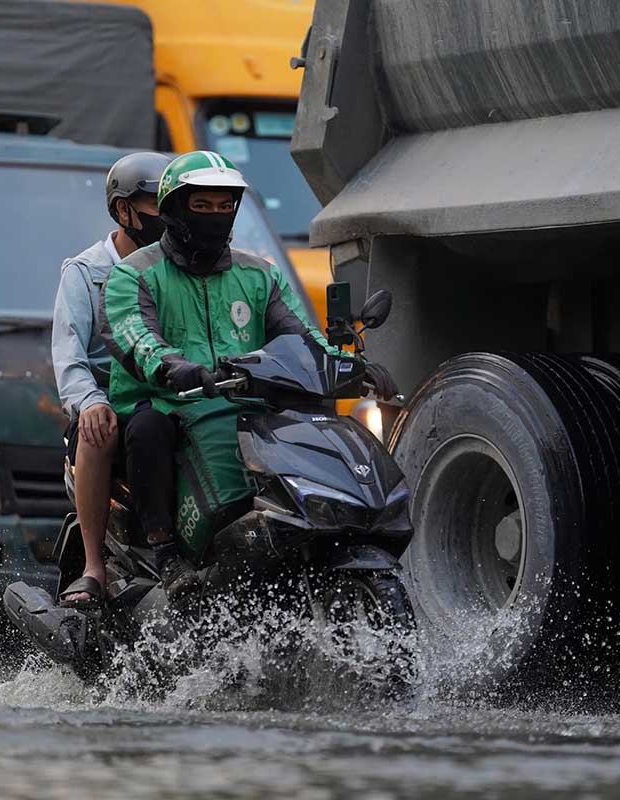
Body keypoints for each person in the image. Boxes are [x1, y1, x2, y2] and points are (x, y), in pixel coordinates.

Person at [100, 151, 398, 602]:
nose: (216, 217)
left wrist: (351, 366)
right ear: (174, 210)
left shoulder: (259, 275)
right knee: (147, 428)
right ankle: (164, 551)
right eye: (203, 207)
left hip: (247, 404)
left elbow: (304, 338)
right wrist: (173, 366)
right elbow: (135, 336)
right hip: (169, 402)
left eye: (226, 207)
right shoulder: (134, 275)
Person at [52, 151, 172, 608]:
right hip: (108, 405)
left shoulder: (178, 269)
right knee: (99, 430)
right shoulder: (85, 273)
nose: (169, 218)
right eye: (156, 205)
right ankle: (93, 566)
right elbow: (69, 357)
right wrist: (90, 403)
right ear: (124, 210)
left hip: (167, 395)